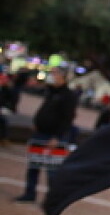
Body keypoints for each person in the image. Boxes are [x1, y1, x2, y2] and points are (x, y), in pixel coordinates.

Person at [15, 67, 77, 204]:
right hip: (40, 134)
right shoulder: (51, 92)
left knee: (52, 171)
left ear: (63, 77)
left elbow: (68, 119)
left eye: (55, 74)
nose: (52, 76)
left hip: (53, 137)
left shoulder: (68, 96)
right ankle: (29, 194)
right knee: (33, 166)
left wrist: (57, 137)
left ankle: (52, 200)